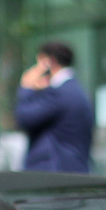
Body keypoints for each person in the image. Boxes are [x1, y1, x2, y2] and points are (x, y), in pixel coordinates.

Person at [15, 41, 95, 174]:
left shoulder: (58, 94)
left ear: (48, 62)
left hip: (54, 175)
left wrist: (27, 87)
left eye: (39, 63)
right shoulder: (74, 90)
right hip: (70, 172)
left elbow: (23, 118)